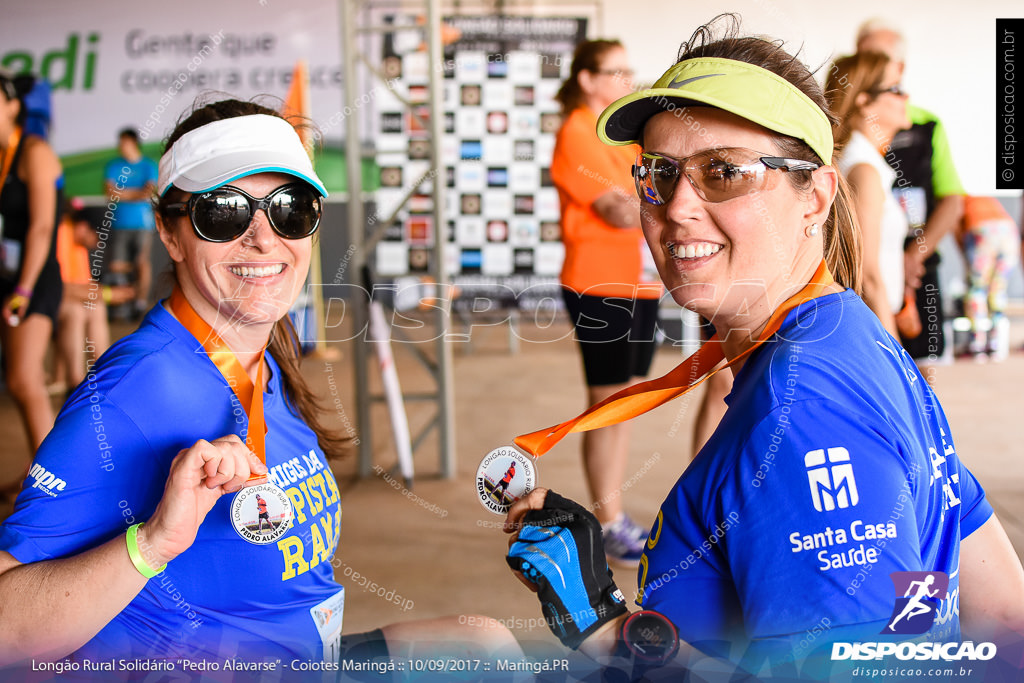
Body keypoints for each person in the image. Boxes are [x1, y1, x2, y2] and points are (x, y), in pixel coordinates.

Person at [503, 17, 1024, 679]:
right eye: (659, 173)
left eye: (723, 171)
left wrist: (606, 627)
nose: (678, 205)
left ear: (817, 195)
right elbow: (1004, 616)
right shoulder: (851, 332)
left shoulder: (797, 412)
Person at [0, 98, 518, 667]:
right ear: (170, 235)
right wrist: (151, 545)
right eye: (223, 212)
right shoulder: (131, 394)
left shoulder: (267, 356)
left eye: (290, 209)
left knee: (482, 644)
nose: (264, 239)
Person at [550, 39, 663, 565]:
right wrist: (660, 193)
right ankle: (607, 521)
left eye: (628, 68)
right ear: (588, 79)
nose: (627, 79)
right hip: (599, 285)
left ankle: (612, 516)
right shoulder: (577, 131)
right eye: (616, 70)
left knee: (624, 403)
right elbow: (618, 210)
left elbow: (644, 195)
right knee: (606, 404)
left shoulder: (622, 133)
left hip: (638, 282)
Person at [856, 20, 965, 377]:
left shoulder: (926, 124)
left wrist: (914, 256)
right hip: (873, 271)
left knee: (922, 372)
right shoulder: (853, 145)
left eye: (880, 57)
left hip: (916, 265)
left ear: (900, 68)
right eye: (863, 56)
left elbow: (952, 200)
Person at [0, 69, 63, 458]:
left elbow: (41, 228)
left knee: (26, 381)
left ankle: (53, 482)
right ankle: (34, 473)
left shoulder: (35, 152)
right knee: (17, 379)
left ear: (13, 106)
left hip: (34, 280)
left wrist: (23, 289)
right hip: (8, 276)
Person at [827, 51, 911, 336]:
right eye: (896, 89)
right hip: (864, 326)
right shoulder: (863, 170)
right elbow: (867, 276)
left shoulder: (862, 164)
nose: (906, 97)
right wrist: (896, 358)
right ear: (863, 100)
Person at [957, 195, 1020, 361]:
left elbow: (958, 234)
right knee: (998, 288)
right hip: (1008, 231)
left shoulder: (958, 201)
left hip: (981, 230)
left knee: (976, 288)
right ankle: (995, 343)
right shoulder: (986, 200)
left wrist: (966, 259)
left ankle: (977, 344)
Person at [104, 127, 158, 320]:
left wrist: (123, 193)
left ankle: (139, 302)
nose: (121, 146)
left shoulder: (148, 166)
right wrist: (135, 194)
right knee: (118, 265)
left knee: (142, 263)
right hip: (119, 223)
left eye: (124, 142)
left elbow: (148, 193)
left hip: (143, 224)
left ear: (134, 143)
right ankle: (122, 303)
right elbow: (110, 193)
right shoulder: (113, 165)